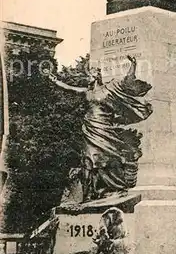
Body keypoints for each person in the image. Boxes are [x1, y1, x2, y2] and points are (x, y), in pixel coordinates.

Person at [48, 56, 153, 202]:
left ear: (97, 75)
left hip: (104, 127)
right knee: (88, 159)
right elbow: (70, 89)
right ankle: (90, 193)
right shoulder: (87, 92)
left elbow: (126, 81)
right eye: (89, 74)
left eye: (92, 74)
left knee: (106, 156)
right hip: (90, 127)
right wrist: (56, 81)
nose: (89, 77)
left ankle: (114, 186)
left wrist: (133, 65)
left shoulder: (109, 89)